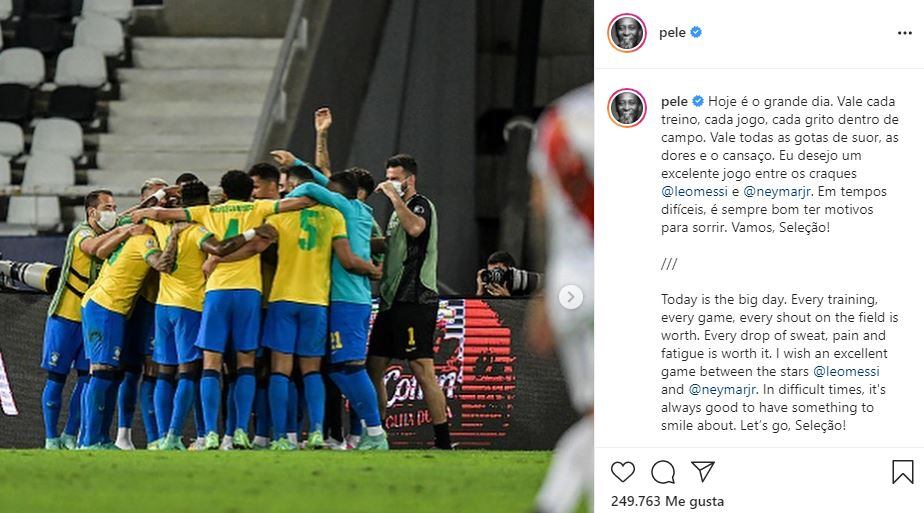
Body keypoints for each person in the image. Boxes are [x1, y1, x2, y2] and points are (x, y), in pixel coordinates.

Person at [131, 170, 313, 450]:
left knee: (211, 364)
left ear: (224, 193)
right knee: (246, 364)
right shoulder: (258, 207)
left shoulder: (207, 212)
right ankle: (239, 431)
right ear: (249, 191)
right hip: (250, 292)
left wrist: (162, 197)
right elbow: (301, 203)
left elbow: (155, 214)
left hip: (215, 293)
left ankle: (211, 434)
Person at [528, 84, 594, 513]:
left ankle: (555, 501)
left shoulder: (560, 117)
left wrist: (544, 290)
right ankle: (554, 500)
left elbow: (539, 206)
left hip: (573, 283)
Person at [40, 190, 142, 449]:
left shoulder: (107, 229)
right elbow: (95, 250)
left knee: (87, 378)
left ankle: (70, 436)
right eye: (107, 207)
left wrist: (155, 200)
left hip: (91, 319)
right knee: (56, 378)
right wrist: (126, 231)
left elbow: (128, 217)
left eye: (114, 207)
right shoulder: (82, 233)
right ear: (92, 212)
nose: (113, 212)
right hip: (65, 316)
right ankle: (51, 438)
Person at [367, 154, 454, 450]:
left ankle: (444, 441)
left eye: (396, 178)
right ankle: (377, 434)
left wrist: (393, 197)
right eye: (388, 177)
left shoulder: (419, 205)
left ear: (410, 179)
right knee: (373, 367)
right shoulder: (395, 214)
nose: (390, 182)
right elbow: (393, 247)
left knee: (421, 368)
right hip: (391, 301)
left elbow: (416, 228)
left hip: (415, 299)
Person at [78, 222, 181, 449]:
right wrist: (173, 237)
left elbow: (101, 250)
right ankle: (88, 440)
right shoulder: (145, 240)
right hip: (106, 308)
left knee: (112, 376)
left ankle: (103, 438)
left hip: (108, 307)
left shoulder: (129, 233)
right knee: (102, 373)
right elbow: (162, 264)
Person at [117, 178, 169, 450]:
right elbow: (118, 223)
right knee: (129, 370)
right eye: (153, 199)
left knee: (153, 368)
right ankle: (123, 435)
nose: (159, 204)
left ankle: (155, 438)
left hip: (157, 304)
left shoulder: (167, 223)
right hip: (134, 306)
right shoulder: (132, 227)